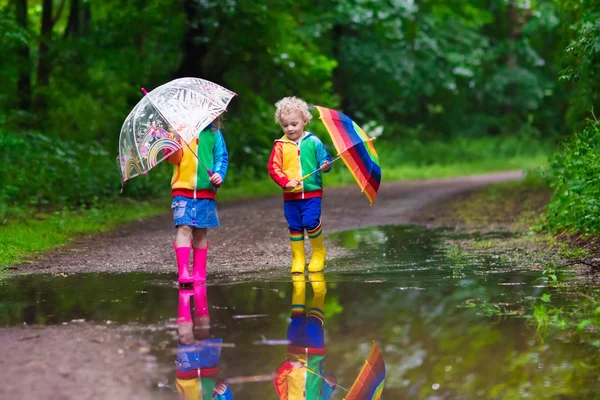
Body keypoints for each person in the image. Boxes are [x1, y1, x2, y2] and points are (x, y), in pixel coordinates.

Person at [268, 97, 332, 274]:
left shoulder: (313, 142)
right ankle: (298, 258)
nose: (290, 129)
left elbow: (324, 160)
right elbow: (273, 168)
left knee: (310, 221)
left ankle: (318, 252)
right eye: (285, 125)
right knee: (295, 225)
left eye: (294, 124)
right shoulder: (280, 145)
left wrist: (326, 165)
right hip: (291, 195)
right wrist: (286, 182)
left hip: (312, 192)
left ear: (304, 120)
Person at [167, 117, 228, 284]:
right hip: (182, 190)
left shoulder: (214, 133)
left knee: (200, 231)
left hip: (205, 191)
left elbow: (221, 158)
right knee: (184, 227)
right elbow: (173, 159)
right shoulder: (179, 131)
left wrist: (218, 174)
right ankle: (184, 272)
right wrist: (174, 139)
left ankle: (199, 272)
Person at [273, 273, 337, 399]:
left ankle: (298, 284)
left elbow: (278, 378)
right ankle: (319, 292)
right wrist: (331, 381)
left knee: (297, 319)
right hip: (316, 353)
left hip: (294, 349)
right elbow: (329, 385)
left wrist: (290, 364)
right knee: (313, 324)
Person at [175, 285, 233, 399]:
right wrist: (224, 391)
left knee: (186, 339)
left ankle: (184, 296)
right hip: (210, 370)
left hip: (187, 378)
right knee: (203, 332)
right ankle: (199, 290)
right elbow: (227, 397)